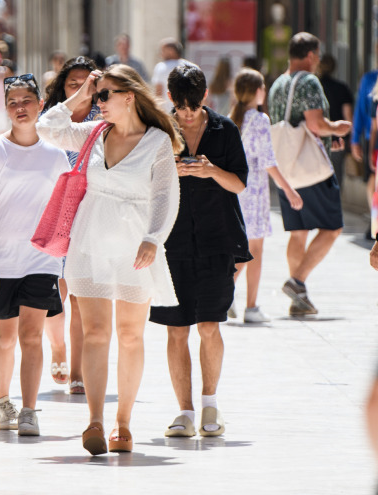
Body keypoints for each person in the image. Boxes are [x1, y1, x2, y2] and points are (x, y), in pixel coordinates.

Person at [38, 64, 182, 454]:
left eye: (105, 95)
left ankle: (123, 423)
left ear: (129, 96)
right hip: (90, 242)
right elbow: (46, 127)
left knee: (131, 336)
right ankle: (95, 421)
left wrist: (154, 238)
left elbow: (166, 197)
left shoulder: (156, 142)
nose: (98, 102)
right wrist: (82, 93)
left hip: (136, 246)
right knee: (97, 333)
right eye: (97, 95)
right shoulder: (93, 133)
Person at [149, 64, 251, 440]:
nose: (188, 113)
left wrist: (210, 171)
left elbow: (240, 184)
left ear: (205, 97)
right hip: (170, 242)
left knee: (209, 325)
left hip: (217, 240)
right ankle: (184, 412)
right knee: (176, 330)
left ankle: (210, 404)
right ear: (171, 99)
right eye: (182, 106)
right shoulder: (159, 131)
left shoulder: (226, 130)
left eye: (194, 105)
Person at [0, 74, 68, 436]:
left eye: (27, 100)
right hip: (0, 262)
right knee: (5, 338)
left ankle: (28, 410)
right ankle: (2, 400)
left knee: (30, 335)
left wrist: (62, 265)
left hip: (41, 260)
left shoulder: (57, 158)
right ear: (6, 109)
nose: (20, 108)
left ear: (40, 105)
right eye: (12, 103)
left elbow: (62, 212)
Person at [267, 32, 351, 316]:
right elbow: (315, 123)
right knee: (332, 227)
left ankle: (298, 300)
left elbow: (292, 127)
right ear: (311, 55)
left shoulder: (278, 83)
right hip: (310, 171)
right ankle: (297, 281)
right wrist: (336, 128)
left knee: (298, 232)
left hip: (286, 168)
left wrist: (327, 139)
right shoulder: (309, 81)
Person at [41, 55, 101, 394]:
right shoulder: (51, 120)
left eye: (86, 84)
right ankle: (58, 348)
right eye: (72, 84)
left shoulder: (105, 119)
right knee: (54, 291)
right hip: (52, 212)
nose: (79, 89)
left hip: (91, 214)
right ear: (63, 86)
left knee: (79, 295)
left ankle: (78, 371)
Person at [229, 68, 303, 323]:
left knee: (240, 250)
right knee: (255, 251)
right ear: (256, 90)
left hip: (236, 192)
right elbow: (268, 161)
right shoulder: (259, 120)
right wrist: (288, 188)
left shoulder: (232, 119)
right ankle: (250, 307)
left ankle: (225, 297)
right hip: (256, 192)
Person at [318, 53, 354, 185]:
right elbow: (348, 117)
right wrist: (352, 139)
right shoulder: (342, 88)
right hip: (338, 140)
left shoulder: (314, 88)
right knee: (336, 177)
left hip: (317, 139)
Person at [151, 38, 193, 112]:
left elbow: (158, 93)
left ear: (171, 51)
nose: (160, 54)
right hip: (188, 113)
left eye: (163, 51)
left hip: (168, 113)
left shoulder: (161, 67)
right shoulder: (192, 66)